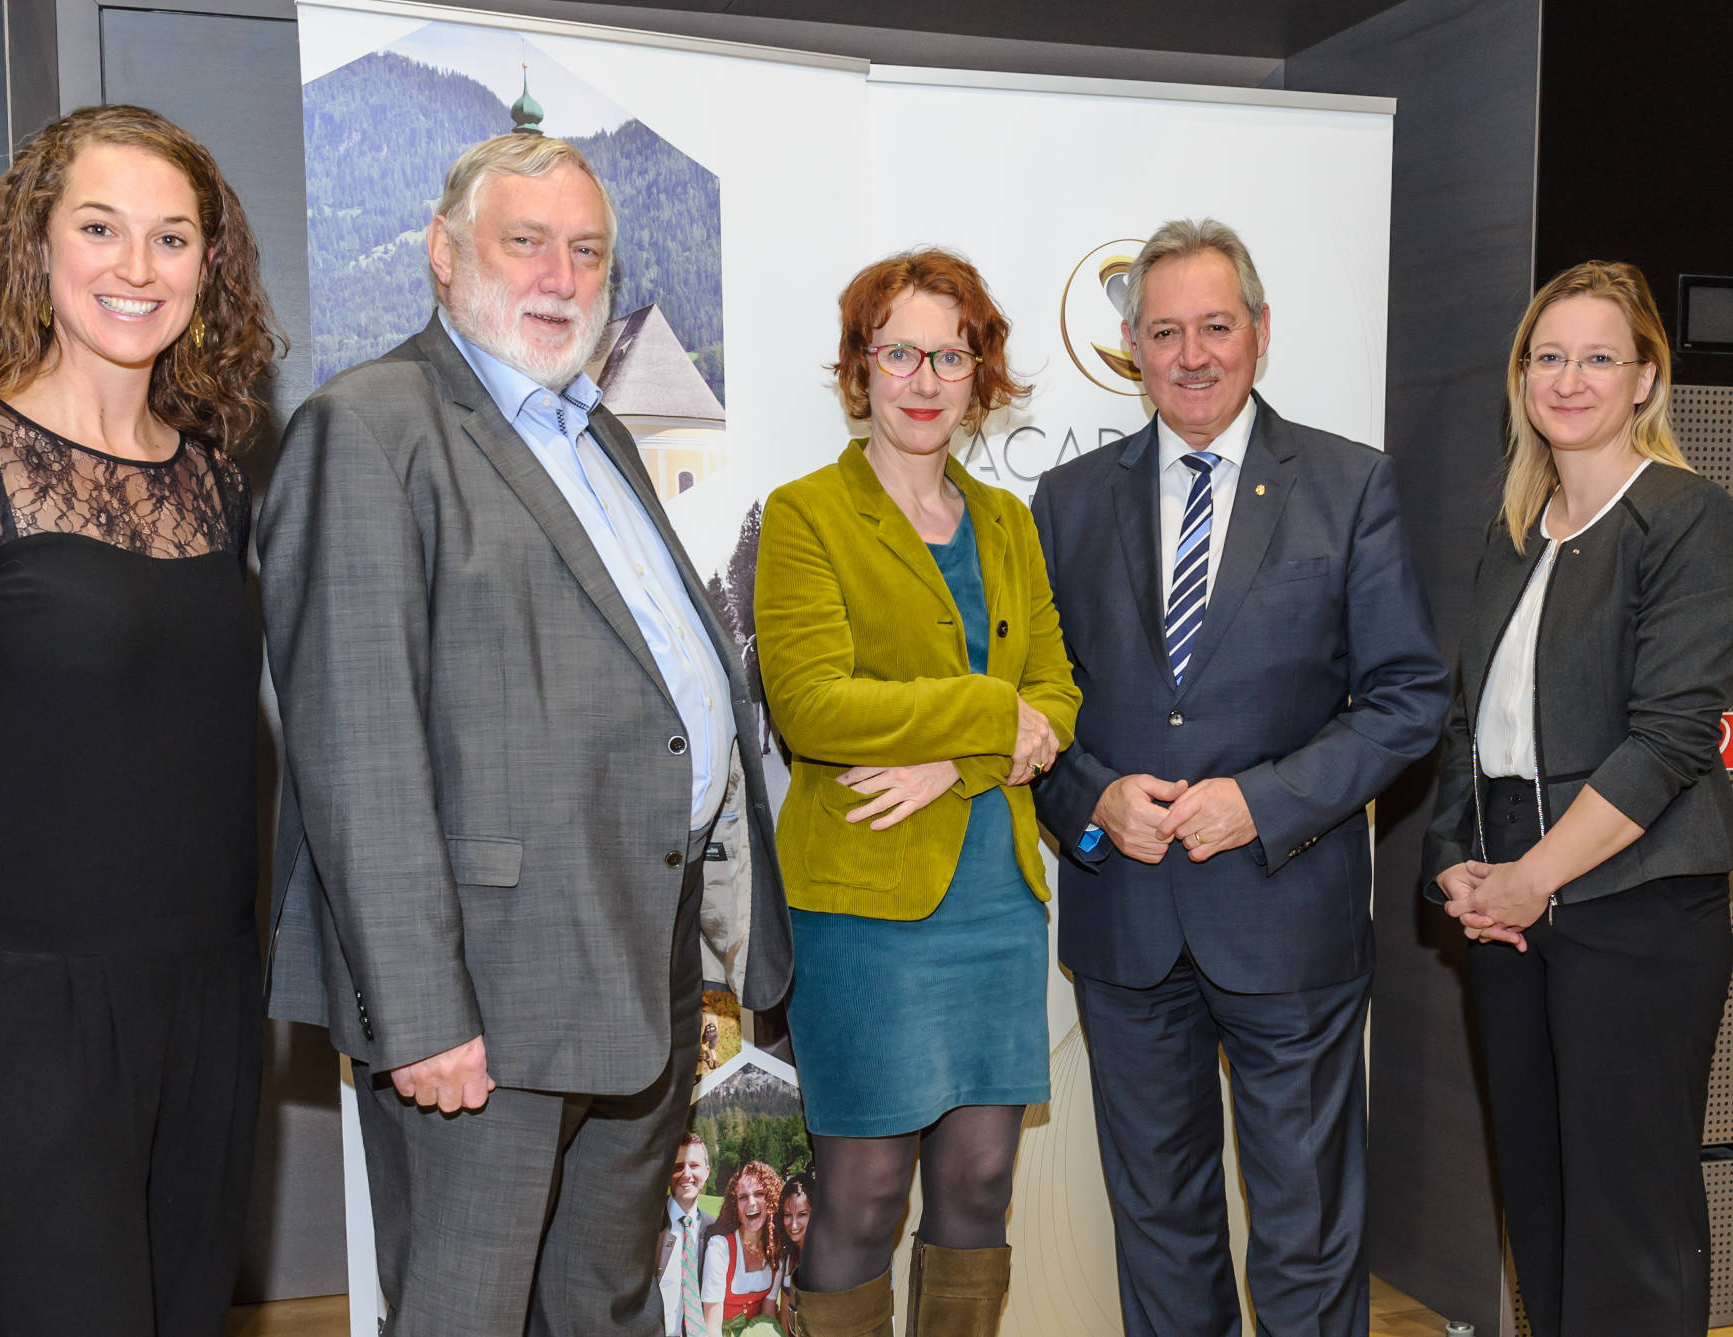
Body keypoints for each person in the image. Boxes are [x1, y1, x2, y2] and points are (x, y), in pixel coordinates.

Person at [256, 131, 792, 1337]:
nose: (562, 276)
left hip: (636, 975)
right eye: (527, 242)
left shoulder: (595, 432)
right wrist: (422, 1012)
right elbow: (358, 752)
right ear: (445, 254)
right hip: (484, 1007)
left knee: (602, 1309)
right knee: (466, 1315)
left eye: (588, 251)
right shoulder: (370, 427)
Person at [0, 104, 280, 1336]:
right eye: (100, 228)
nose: (138, 266)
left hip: (206, 1007)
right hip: (21, 1021)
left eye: (172, 237)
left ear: (208, 265)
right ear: (36, 242)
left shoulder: (213, 479)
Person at [1030, 217, 1449, 1336]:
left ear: (1260, 331)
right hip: (1128, 927)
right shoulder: (1066, 501)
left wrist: (1260, 803)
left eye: (1216, 326)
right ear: (1132, 347)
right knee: (1160, 1234)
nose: (1192, 354)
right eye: (1165, 331)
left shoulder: (1349, 485)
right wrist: (1092, 800)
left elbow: (1409, 696)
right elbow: (1035, 706)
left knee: (1307, 1238)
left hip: (1289, 924)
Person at [756, 248, 1080, 1337]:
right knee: (863, 1194)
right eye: (900, 352)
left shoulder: (1008, 523)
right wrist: (989, 714)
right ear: (861, 366)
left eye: (952, 354)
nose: (925, 379)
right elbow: (814, 707)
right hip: (863, 909)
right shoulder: (805, 514)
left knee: (980, 1185)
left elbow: (1057, 697)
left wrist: (959, 760)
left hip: (995, 897)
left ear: (981, 372)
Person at [1424, 261, 1733, 1336]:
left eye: (1599, 357)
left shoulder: (1687, 518)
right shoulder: (1516, 530)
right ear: (1523, 376)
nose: (1569, 378)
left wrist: (1534, 877)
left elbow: (1672, 737)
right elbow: (1468, 720)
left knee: (1628, 1214)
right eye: (1548, 356)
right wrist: (1457, 862)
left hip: (1635, 896)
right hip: (1512, 890)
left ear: (1645, 377)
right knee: (1542, 1197)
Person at [701, 1161, 785, 1335]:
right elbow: (711, 1325)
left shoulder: (776, 1252)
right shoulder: (720, 1248)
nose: (751, 1203)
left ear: (770, 1201)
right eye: (743, 1197)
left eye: (759, 1194)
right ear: (735, 1207)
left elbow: (768, 1315)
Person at [659, 1132, 717, 1336]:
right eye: (678, 1167)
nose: (686, 1174)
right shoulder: (649, 1226)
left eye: (694, 1165)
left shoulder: (714, 1230)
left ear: (707, 1171)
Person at [769, 1171, 813, 1330]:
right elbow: (784, 1313)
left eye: (802, 1214)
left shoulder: (824, 1258)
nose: (793, 1225)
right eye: (788, 1215)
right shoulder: (788, 1255)